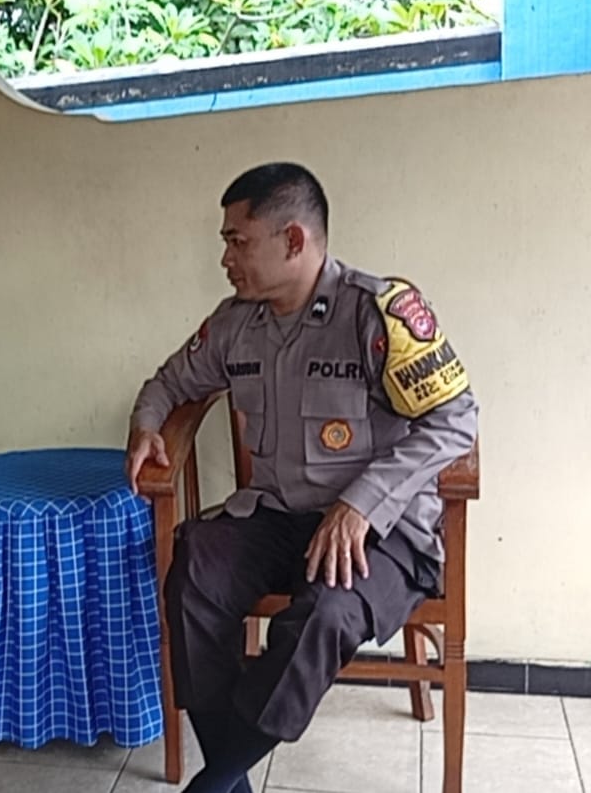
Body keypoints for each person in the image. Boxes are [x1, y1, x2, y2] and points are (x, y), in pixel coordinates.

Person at [125, 163, 477, 793]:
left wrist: (361, 503)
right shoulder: (236, 323)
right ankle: (227, 779)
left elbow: (457, 420)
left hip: (381, 533)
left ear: (293, 240)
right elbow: (168, 383)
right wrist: (147, 423)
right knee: (193, 571)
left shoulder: (377, 314)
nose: (225, 259)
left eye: (237, 241)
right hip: (277, 516)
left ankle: (215, 781)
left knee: (324, 614)